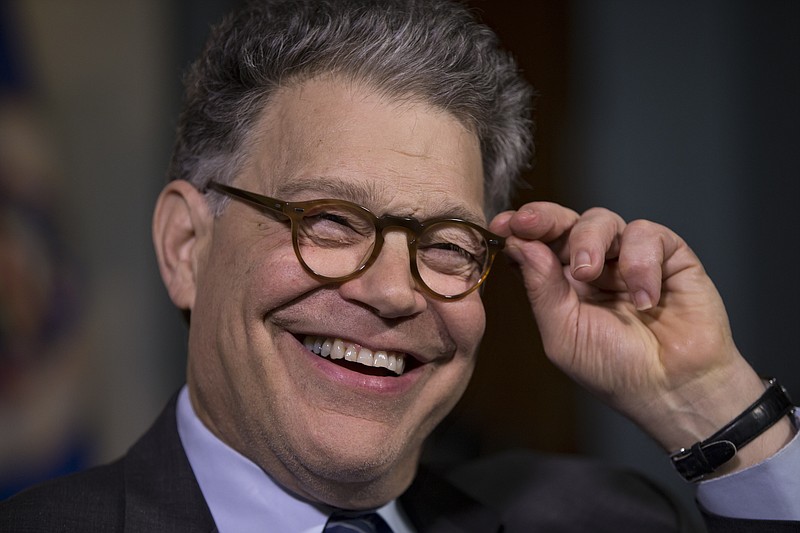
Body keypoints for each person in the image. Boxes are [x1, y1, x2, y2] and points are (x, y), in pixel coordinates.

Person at [1, 0, 797, 531]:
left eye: (447, 244)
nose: (391, 291)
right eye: (330, 220)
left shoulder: (603, 517)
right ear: (187, 246)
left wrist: (709, 404)